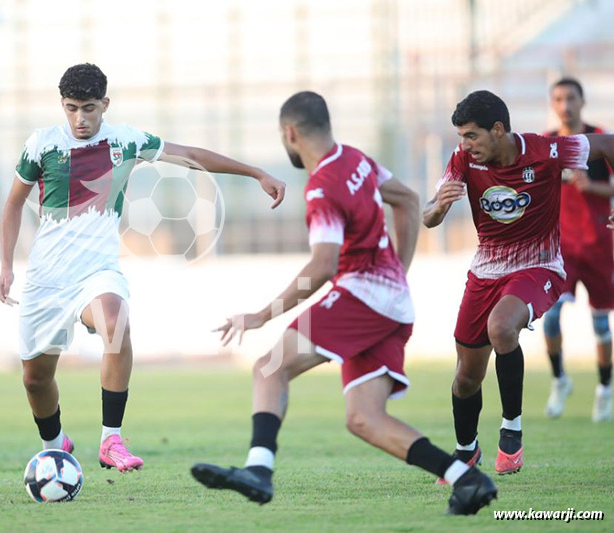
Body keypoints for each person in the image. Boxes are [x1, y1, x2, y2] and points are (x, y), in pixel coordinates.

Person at [190, 91, 497, 515]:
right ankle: (467, 479)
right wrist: (397, 275)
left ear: (289, 133)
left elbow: (322, 265)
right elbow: (407, 199)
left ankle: (258, 469)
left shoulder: (321, 189)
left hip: (360, 298)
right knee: (363, 419)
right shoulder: (355, 159)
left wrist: (261, 315)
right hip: (391, 304)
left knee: (269, 367)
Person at [0, 63, 287, 472]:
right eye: (72, 108)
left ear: (105, 104)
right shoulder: (41, 144)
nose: (81, 118)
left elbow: (191, 156)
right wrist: (6, 266)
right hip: (46, 280)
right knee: (36, 380)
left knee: (116, 321)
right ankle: (56, 443)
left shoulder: (127, 140)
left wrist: (255, 172)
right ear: (62, 105)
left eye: (90, 108)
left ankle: (111, 439)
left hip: (96, 272)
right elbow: (11, 205)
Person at [423, 90, 594, 477]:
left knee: (501, 327)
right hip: (485, 271)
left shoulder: (547, 151)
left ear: (497, 129)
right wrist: (438, 207)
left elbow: (609, 145)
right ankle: (466, 450)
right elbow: (428, 217)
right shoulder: (462, 160)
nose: (465, 145)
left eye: (471, 136)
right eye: (461, 137)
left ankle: (511, 429)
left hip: (540, 266)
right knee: (466, 377)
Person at [541, 78, 614, 422]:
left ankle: (604, 390)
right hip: (562, 250)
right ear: (553, 104)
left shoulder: (600, 139)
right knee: (551, 317)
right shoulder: (546, 144)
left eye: (571, 97)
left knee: (601, 324)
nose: (565, 104)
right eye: (558, 98)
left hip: (600, 247)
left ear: (582, 101)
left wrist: (594, 186)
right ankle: (560, 380)